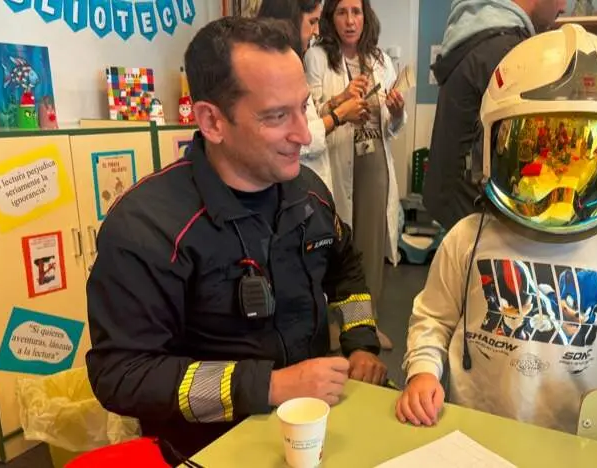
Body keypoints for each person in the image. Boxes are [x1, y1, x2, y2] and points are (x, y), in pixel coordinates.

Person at [85, 16, 387, 463]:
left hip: (316, 430)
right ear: (211, 121)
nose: (304, 135)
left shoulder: (309, 194)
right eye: (276, 116)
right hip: (207, 448)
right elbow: (122, 375)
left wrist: (360, 343)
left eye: (303, 107)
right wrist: (267, 386)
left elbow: (346, 269)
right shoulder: (146, 227)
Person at [396, 24, 597, 432]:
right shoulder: (468, 238)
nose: (560, 195)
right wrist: (423, 371)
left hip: (572, 437)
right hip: (475, 426)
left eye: (579, 166)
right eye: (541, 158)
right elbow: (432, 317)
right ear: (492, 149)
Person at [305, 0, 406, 350]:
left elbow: (391, 129)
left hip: (373, 158)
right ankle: (337, 325)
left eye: (356, 11)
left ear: (366, 16)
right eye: (342, 12)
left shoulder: (379, 60)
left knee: (371, 244)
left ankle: (368, 322)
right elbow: (309, 116)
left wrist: (397, 111)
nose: (350, 20)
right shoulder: (317, 57)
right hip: (336, 160)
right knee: (338, 243)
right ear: (331, 19)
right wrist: (341, 99)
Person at [423, 0, 566, 230]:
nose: (564, 7)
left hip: (455, 208)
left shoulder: (473, 38)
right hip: (478, 221)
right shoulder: (510, 54)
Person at [257, 0, 368, 192]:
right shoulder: (274, 74)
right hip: (297, 187)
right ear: (290, 20)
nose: (316, 31)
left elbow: (307, 115)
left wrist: (337, 100)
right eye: (312, 22)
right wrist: (339, 115)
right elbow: (303, 136)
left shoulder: (292, 63)